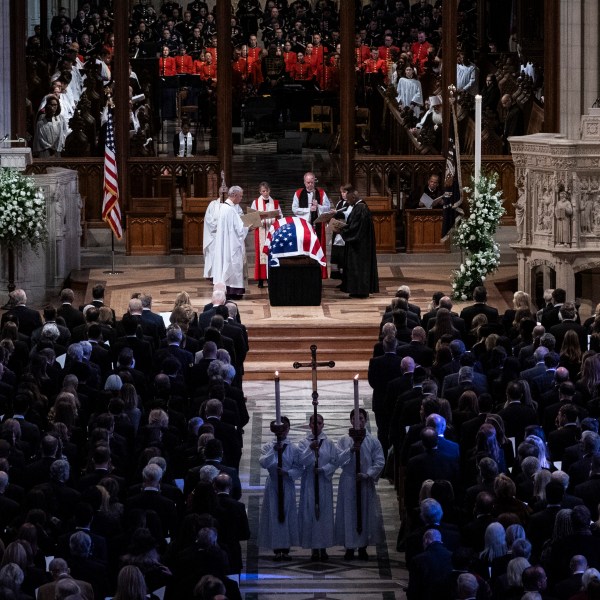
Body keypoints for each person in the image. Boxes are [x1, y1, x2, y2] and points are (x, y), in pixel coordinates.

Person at [334, 408, 385, 561]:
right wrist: (350, 450)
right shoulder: (344, 440)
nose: (359, 421)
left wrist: (368, 474)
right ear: (351, 421)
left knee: (365, 512)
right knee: (349, 513)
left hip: (364, 481)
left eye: (362, 418)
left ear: (366, 420)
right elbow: (337, 460)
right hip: (349, 480)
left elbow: (380, 461)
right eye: (356, 419)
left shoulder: (373, 440)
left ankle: (363, 546)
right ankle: (349, 547)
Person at [259, 416, 302, 561]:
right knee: (274, 513)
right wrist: (273, 450)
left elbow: (299, 467)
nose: (283, 431)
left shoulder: (294, 448)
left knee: (287, 513)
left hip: (287, 483)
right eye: (281, 428)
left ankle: (286, 547)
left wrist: (287, 473)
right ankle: (277, 548)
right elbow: (263, 463)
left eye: (286, 428)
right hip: (273, 483)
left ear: (288, 429)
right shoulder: (267, 446)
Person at [297, 413, 339, 562]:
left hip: (324, 481)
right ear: (309, 425)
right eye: (314, 423)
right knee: (310, 513)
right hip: (309, 481)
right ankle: (314, 548)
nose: (316, 426)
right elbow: (301, 460)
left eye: (319, 423)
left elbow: (335, 461)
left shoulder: (329, 442)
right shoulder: (304, 442)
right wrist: (310, 449)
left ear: (323, 425)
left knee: (324, 513)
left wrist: (323, 470)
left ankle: (324, 546)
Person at [333, 189, 379, 298]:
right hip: (360, 244)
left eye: (348, 200)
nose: (348, 203)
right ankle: (356, 290)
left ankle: (360, 291)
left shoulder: (360, 208)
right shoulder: (359, 207)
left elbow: (356, 228)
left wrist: (341, 230)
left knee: (359, 268)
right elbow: (354, 225)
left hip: (360, 246)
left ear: (354, 197)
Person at [211, 186, 253, 299]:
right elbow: (239, 229)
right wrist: (249, 225)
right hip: (231, 244)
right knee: (233, 265)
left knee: (226, 265)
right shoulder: (230, 210)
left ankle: (227, 289)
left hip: (226, 243)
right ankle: (233, 291)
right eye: (240, 196)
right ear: (234, 195)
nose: (241, 198)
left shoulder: (224, 208)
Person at [292, 171, 331, 277]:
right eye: (308, 182)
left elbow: (328, 208)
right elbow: (294, 209)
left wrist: (318, 206)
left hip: (318, 225)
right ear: (304, 182)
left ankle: (319, 272)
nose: (310, 185)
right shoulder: (298, 193)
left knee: (318, 248)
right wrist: (309, 209)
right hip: (304, 226)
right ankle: (304, 271)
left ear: (315, 182)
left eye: (312, 182)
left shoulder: (322, 193)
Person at [249, 182, 282, 288]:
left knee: (272, 253)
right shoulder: (255, 202)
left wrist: (276, 216)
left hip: (272, 231)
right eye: (263, 191)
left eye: (267, 190)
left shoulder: (275, 203)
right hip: (261, 230)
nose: (266, 193)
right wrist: (260, 218)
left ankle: (271, 277)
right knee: (261, 254)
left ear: (269, 190)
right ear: (260, 192)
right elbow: (252, 217)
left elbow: (280, 216)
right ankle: (261, 279)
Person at [330, 184, 354, 280]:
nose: (343, 194)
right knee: (337, 254)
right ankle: (338, 276)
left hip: (345, 231)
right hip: (337, 231)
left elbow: (348, 215)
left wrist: (337, 213)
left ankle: (345, 278)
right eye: (341, 192)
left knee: (344, 255)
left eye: (344, 192)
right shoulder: (339, 202)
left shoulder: (351, 203)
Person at [173, 121, 196, 203]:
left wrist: (192, 156)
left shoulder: (192, 136)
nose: (186, 130)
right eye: (185, 128)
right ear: (182, 128)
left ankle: (188, 199)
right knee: (181, 182)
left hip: (189, 162)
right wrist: (178, 156)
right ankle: (182, 200)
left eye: (188, 128)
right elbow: (175, 149)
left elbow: (194, 149)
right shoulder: (176, 136)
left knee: (188, 181)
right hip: (180, 161)